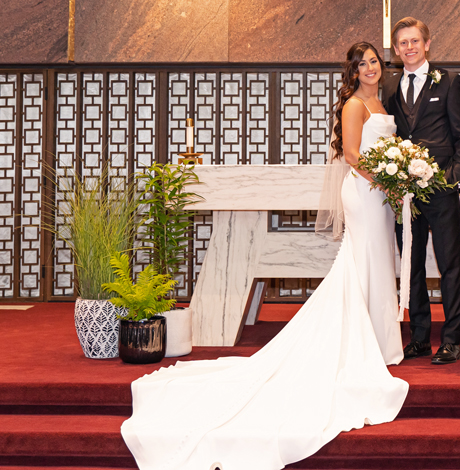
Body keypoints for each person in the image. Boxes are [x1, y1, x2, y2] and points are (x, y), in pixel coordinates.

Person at [120, 42, 408, 470]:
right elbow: (351, 155)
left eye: (374, 62)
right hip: (366, 193)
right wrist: (385, 180)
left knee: (379, 265)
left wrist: (394, 179)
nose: (370, 68)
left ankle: (379, 342)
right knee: (362, 262)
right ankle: (360, 344)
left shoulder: (381, 102)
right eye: (362, 63)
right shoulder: (354, 105)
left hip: (380, 195)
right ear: (352, 70)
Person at [383, 17, 460, 365]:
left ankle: (451, 340)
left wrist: (452, 178)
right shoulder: (390, 85)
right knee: (412, 264)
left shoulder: (448, 81)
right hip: (405, 193)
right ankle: (419, 337)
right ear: (396, 49)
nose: (410, 47)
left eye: (415, 41)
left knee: (450, 265)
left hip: (441, 189)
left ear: (427, 43)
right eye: (403, 43)